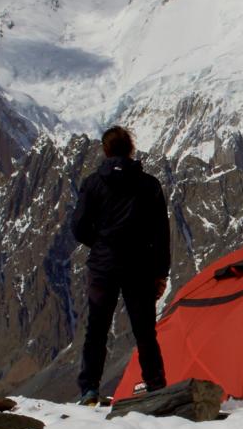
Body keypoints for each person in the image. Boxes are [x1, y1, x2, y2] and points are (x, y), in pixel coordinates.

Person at [72, 126, 170, 405]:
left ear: (105, 151)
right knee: (144, 330)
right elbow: (161, 233)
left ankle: (90, 389)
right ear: (131, 149)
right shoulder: (149, 185)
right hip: (139, 267)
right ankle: (155, 384)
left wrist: (100, 243)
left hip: (103, 266)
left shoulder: (92, 184)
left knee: (97, 329)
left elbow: (77, 227)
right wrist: (161, 273)